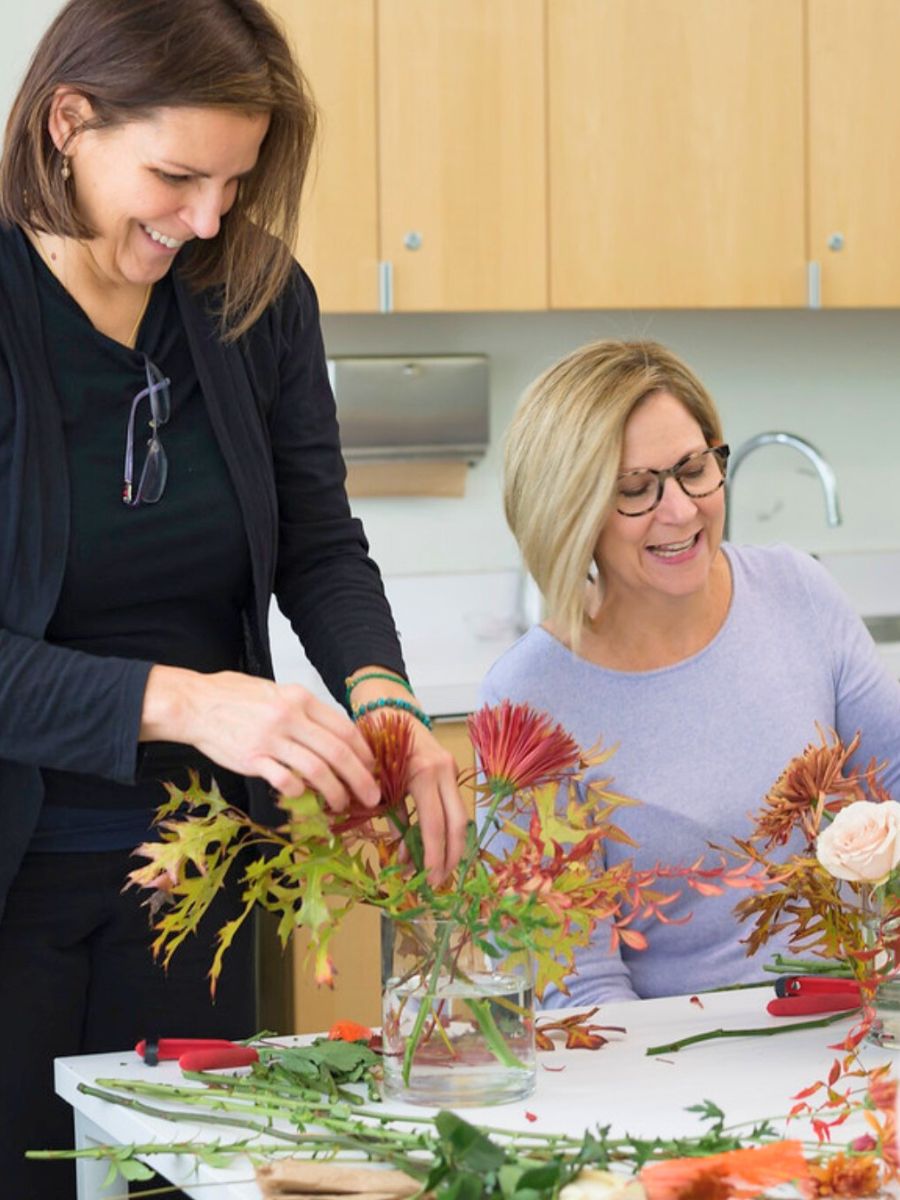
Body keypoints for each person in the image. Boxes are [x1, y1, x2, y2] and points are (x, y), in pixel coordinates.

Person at [0, 1, 467, 1193]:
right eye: (174, 175)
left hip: (206, 875)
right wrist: (188, 702)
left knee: (193, 1178)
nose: (205, 219)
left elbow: (320, 539)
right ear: (69, 121)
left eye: (235, 181)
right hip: (21, 883)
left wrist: (383, 693)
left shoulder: (252, 293)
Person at [481, 338, 900, 1005]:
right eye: (634, 490)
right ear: (570, 510)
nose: (679, 510)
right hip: (674, 1064)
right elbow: (578, 983)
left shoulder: (799, 591)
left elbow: (896, 780)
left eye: (693, 469)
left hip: (854, 1024)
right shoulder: (528, 700)